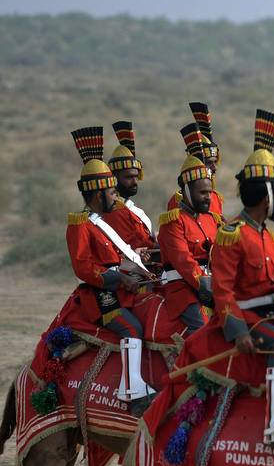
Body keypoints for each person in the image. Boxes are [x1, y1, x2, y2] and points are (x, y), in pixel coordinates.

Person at [209, 109, 274, 449]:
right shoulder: (232, 234)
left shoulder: (266, 236)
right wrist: (237, 330)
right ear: (265, 195)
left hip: (271, 315)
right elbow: (222, 290)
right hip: (248, 319)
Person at [65, 126, 156, 408]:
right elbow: (84, 268)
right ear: (97, 193)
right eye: (111, 193)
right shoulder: (80, 224)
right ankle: (131, 389)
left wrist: (138, 268)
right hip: (101, 297)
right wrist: (117, 279)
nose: (115, 198)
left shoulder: (101, 221)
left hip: (121, 287)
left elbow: (119, 256)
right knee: (132, 328)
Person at [156, 124, 221, 334]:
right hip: (183, 289)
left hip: (210, 283)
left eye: (209, 192)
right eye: (202, 193)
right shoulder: (172, 222)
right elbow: (183, 262)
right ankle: (194, 366)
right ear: (186, 191)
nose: (208, 198)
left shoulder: (211, 218)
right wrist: (206, 284)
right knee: (201, 328)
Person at [102, 120, 158, 264]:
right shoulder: (113, 211)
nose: (135, 181)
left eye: (136, 176)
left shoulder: (132, 208)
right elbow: (136, 246)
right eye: (129, 177)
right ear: (114, 178)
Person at [168, 101, 224, 216]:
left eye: (215, 162)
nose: (214, 168)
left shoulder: (216, 197)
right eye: (208, 163)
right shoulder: (179, 200)